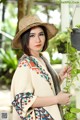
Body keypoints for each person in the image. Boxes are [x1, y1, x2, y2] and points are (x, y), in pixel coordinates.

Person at [11, 14, 71, 120]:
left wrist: (59, 78)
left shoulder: (42, 59)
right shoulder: (25, 65)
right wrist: (57, 99)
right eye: (32, 35)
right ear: (25, 39)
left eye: (41, 34)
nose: (38, 40)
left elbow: (42, 86)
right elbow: (23, 101)